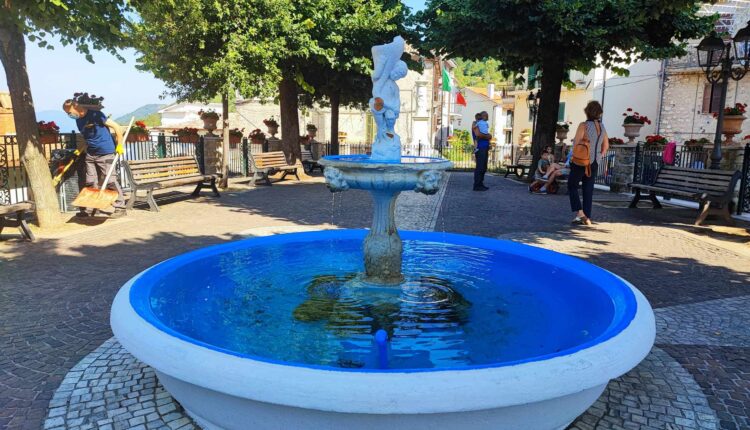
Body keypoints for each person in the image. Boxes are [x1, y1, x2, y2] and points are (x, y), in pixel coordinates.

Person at [63, 98, 126, 216]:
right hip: (91, 154)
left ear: (76, 107)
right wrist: (80, 150)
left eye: (69, 112)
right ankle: (91, 209)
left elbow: (117, 127)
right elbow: (88, 137)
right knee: (90, 181)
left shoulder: (96, 115)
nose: (69, 115)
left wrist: (119, 145)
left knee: (110, 181)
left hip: (106, 152)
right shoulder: (78, 121)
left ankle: (120, 207)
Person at [568, 101, 609, 225]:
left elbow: (576, 143)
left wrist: (572, 156)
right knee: (588, 189)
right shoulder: (602, 127)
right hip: (595, 162)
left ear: (587, 112)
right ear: (599, 113)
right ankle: (587, 217)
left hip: (581, 161)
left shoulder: (583, 125)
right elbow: (606, 146)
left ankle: (580, 213)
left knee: (572, 186)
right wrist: (598, 156)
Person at [472, 111, 491, 191]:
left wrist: (488, 136)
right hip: (480, 148)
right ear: (481, 116)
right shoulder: (475, 124)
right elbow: (478, 134)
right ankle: (477, 185)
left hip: (485, 147)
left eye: (487, 116)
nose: (486, 117)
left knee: (483, 167)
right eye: (485, 116)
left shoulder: (483, 124)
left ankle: (481, 183)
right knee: (480, 167)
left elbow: (486, 135)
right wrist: (488, 136)